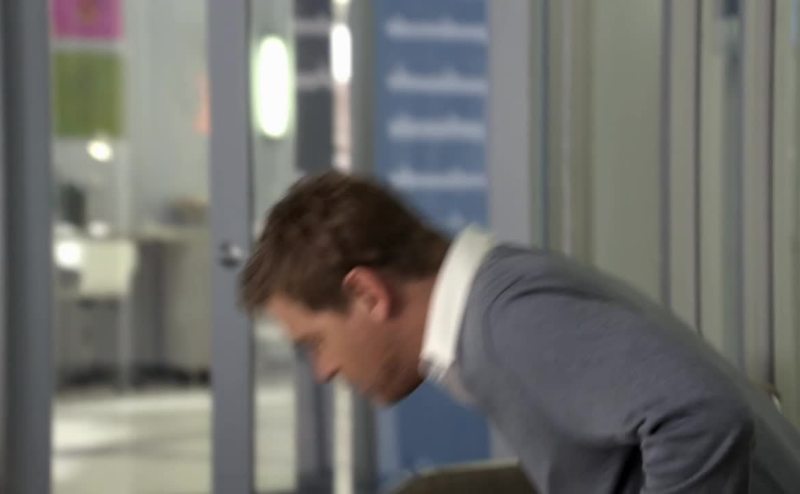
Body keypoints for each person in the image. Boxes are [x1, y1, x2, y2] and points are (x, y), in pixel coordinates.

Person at [240, 171, 800, 493]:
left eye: (314, 343)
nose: (324, 370)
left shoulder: (506, 320)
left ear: (367, 294)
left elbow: (702, 416)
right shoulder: (497, 297)